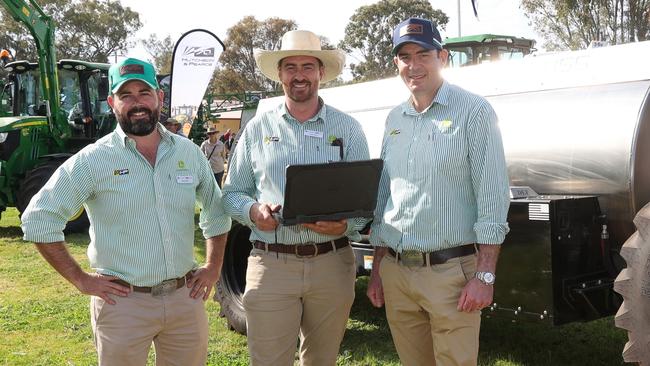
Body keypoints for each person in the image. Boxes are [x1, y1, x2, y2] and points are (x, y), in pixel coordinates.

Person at [21, 58, 231, 366]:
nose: (137, 103)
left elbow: (216, 209)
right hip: (122, 304)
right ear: (111, 102)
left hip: (184, 300)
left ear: (160, 97)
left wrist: (213, 267)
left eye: (144, 92)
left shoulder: (188, 152)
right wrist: (81, 279)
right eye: (126, 95)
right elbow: (38, 219)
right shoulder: (94, 160)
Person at [366, 18, 510, 366]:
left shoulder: (474, 112)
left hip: (451, 275)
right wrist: (378, 269)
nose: (413, 66)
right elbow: (387, 197)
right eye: (404, 57)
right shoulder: (394, 120)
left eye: (423, 54)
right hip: (398, 274)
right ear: (396, 63)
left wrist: (484, 276)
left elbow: (493, 197)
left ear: (442, 57)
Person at [222, 30, 370, 366]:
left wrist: (346, 225)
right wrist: (253, 210)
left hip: (332, 263)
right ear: (280, 75)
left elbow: (365, 200)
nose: (299, 75)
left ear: (320, 72)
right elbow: (231, 195)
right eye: (290, 67)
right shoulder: (257, 130)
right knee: (269, 360)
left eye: (307, 66)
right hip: (271, 263)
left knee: (321, 360)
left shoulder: (348, 129)